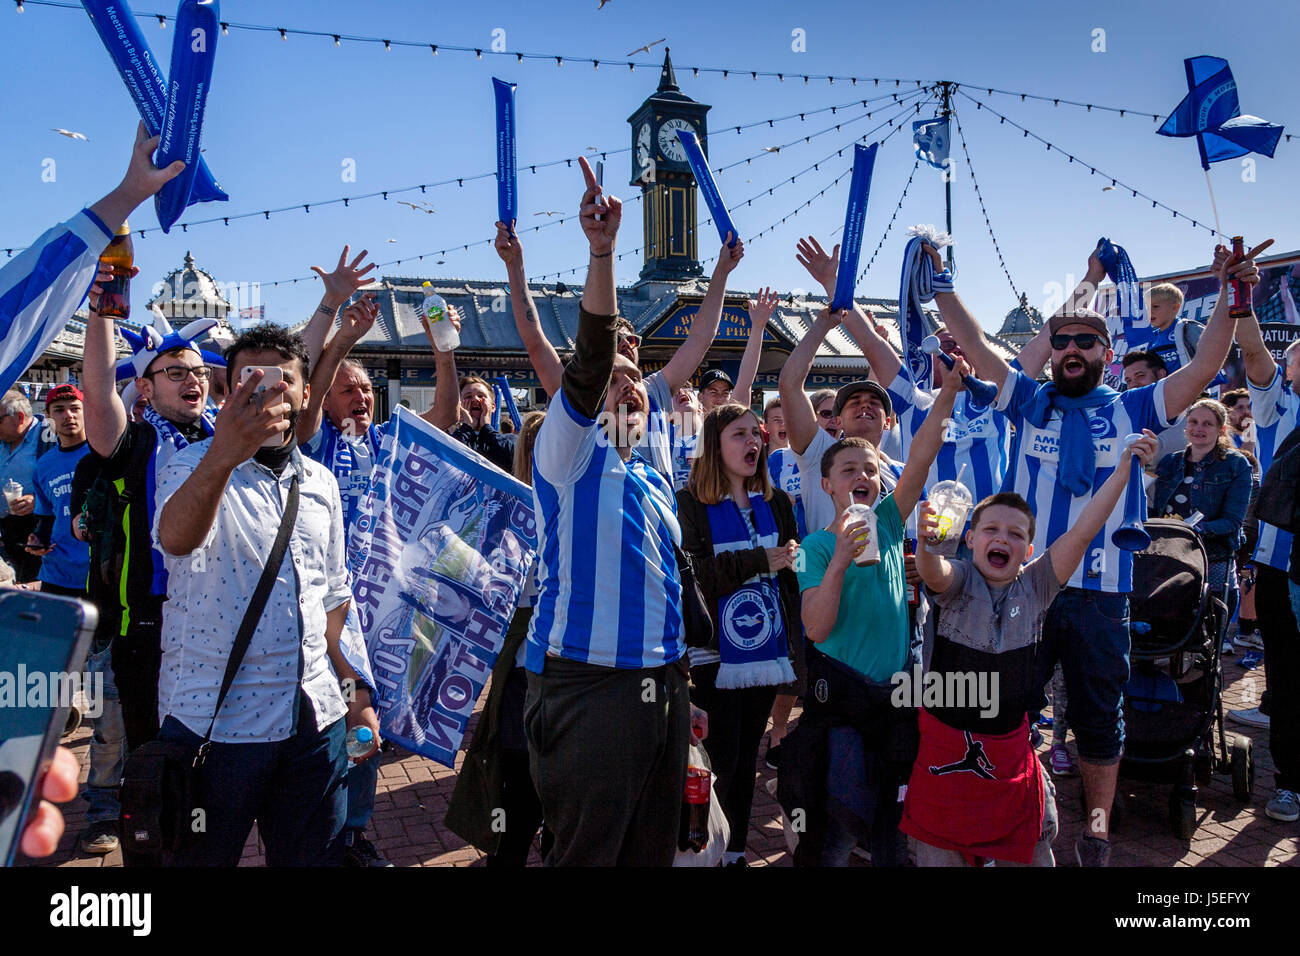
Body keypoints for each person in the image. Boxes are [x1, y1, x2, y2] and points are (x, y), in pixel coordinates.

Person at [934, 238, 1256, 865]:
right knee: (1009, 707)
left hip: (1104, 591)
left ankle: (1098, 833)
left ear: (1106, 354)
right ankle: (1009, 810)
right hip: (1026, 585)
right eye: (1063, 340)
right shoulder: (1028, 402)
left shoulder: (1135, 405)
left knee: (1099, 719)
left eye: (1087, 341)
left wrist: (1228, 296)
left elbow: (1202, 369)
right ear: (1051, 352)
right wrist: (941, 283)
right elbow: (975, 345)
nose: (1073, 349)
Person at [523, 157, 705, 866]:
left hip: (664, 681)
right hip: (589, 682)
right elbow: (591, 357)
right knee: (590, 854)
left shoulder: (653, 471)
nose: (628, 392)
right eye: (615, 385)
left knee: (650, 852)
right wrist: (602, 253)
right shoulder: (567, 454)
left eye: (637, 385)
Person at [151, 324, 379, 866]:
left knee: (314, 858)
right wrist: (223, 456)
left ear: (304, 394)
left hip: (313, 716)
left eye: (282, 380)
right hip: (215, 720)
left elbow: (333, 597)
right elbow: (175, 540)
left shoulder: (321, 483)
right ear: (227, 394)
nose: (266, 392)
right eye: (249, 380)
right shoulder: (190, 464)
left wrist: (355, 693)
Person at [905, 433, 1159, 866]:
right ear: (970, 539)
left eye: (1015, 533)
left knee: (1031, 852)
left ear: (1029, 549)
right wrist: (927, 543)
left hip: (1008, 757)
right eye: (990, 529)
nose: (1001, 538)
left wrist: (1122, 471)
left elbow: (1084, 529)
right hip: (943, 753)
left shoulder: (1038, 585)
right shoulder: (959, 581)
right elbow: (933, 571)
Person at [790, 350, 964, 866]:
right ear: (828, 485)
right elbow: (816, 628)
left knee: (894, 828)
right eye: (848, 470)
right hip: (842, 702)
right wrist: (840, 561)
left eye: (870, 469)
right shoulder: (817, 548)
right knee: (839, 826)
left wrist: (950, 392)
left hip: (895, 699)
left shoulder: (889, 523)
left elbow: (921, 459)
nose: (861, 475)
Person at [492, 220, 743, 486]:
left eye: (632, 340)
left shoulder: (654, 390)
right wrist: (515, 265)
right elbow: (535, 342)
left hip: (658, 512)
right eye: (616, 339)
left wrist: (722, 271)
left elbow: (700, 338)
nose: (626, 344)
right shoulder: (581, 396)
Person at [677, 402, 800, 866]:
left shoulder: (777, 503)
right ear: (714, 445)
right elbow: (695, 578)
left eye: (756, 433)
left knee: (746, 756)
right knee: (719, 758)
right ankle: (699, 846)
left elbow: (793, 573)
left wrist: (807, 557)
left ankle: (732, 851)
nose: (753, 441)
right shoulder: (689, 504)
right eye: (739, 434)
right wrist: (758, 561)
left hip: (767, 652)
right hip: (715, 655)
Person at [446, 411, 551, 866]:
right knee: (518, 796)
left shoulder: (586, 508)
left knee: (562, 808)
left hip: (575, 677)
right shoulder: (507, 509)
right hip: (523, 678)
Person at [1230, 275, 1300, 823]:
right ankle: (1291, 783)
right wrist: (1241, 298)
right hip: (1285, 567)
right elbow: (1253, 350)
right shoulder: (1282, 410)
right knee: (1289, 670)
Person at [1150, 398, 1253, 612]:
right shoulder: (1169, 462)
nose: (1198, 428)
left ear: (1221, 429)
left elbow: (1233, 521)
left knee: (1211, 615)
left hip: (1212, 554)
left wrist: (1193, 531)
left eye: (1207, 424)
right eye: (1193, 422)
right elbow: (1153, 510)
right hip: (1168, 554)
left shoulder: (1236, 465)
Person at [24, 385, 92, 598]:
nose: (68, 416)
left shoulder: (104, 454)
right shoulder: (44, 464)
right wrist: (37, 540)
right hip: (57, 572)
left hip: (98, 569)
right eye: (59, 410)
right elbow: (47, 517)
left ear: (85, 411)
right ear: (48, 416)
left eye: (75, 408)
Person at [0, 388, 54, 584]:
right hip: (7, 531)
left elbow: (66, 477)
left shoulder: (49, 435)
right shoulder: (3, 441)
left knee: (32, 585)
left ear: (20, 417)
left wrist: (37, 500)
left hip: (38, 528)